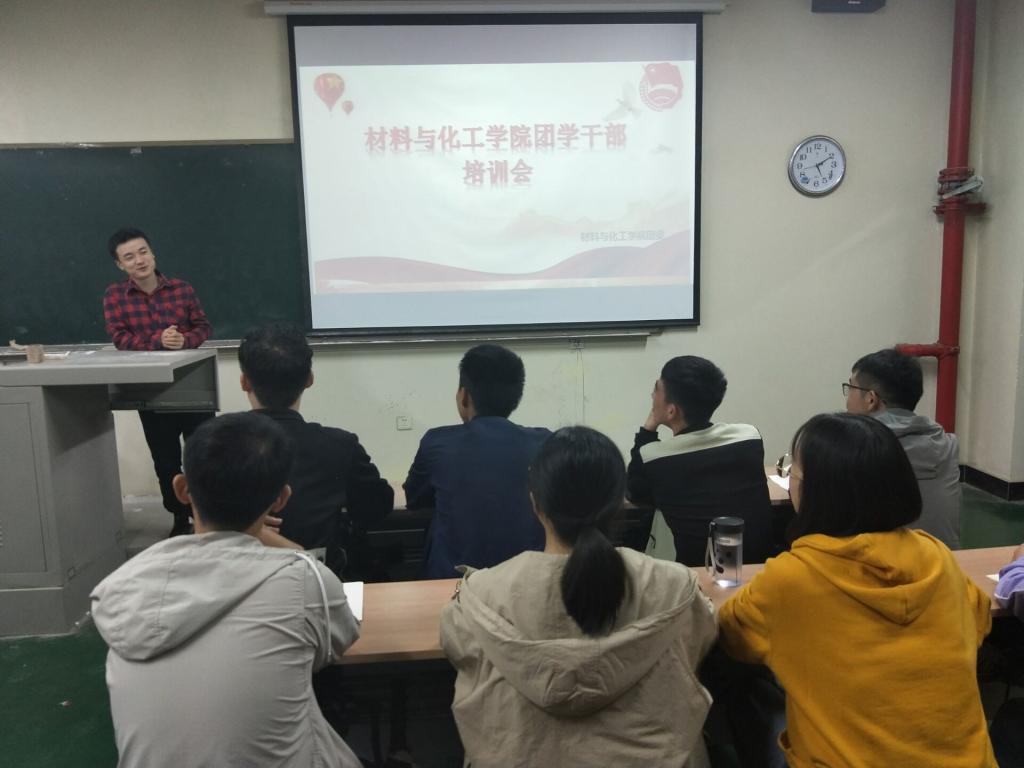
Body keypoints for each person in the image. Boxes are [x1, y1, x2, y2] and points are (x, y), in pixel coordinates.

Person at [718, 413, 995, 767]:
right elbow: (979, 618)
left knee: (747, 686)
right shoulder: (936, 557)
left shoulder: (791, 578)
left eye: (793, 471)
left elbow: (732, 635)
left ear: (813, 491)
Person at [91, 412, 362, 768]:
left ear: (181, 489)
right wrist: (280, 543)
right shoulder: (304, 581)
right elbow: (338, 640)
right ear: (281, 498)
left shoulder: (124, 587)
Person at [440, 426, 717, 768]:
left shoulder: (480, 596)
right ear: (620, 502)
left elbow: (457, 648)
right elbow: (702, 637)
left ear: (535, 502)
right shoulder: (674, 586)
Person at [238, 322, 393, 574]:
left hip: (237, 579)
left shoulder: (214, 444)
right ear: (309, 379)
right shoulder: (339, 445)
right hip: (320, 582)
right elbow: (378, 506)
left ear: (244, 382)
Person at [403, 343, 551, 578]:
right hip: (526, 582)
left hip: (453, 586)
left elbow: (414, 499)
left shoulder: (437, 442)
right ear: (516, 398)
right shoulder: (545, 443)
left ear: (464, 396)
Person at [103, 227, 214, 536]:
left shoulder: (182, 289)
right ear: (120, 265)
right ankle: (179, 517)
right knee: (165, 460)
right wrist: (158, 341)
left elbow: (203, 327)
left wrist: (185, 340)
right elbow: (120, 338)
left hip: (192, 385)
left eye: (143, 252)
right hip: (150, 390)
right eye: (129, 257)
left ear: (152, 253)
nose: (139, 261)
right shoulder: (115, 296)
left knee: (203, 455)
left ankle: (208, 515)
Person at [626, 355, 774, 566]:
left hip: (697, 575)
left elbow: (635, 492)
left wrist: (649, 427)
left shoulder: (656, 459)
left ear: (671, 410)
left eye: (656, 389)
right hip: (756, 567)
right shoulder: (748, 437)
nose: (652, 395)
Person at [845, 347, 961, 549]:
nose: (847, 397)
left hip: (882, 564)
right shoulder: (947, 444)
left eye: (851, 387)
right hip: (945, 560)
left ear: (871, 399)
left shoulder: (856, 448)